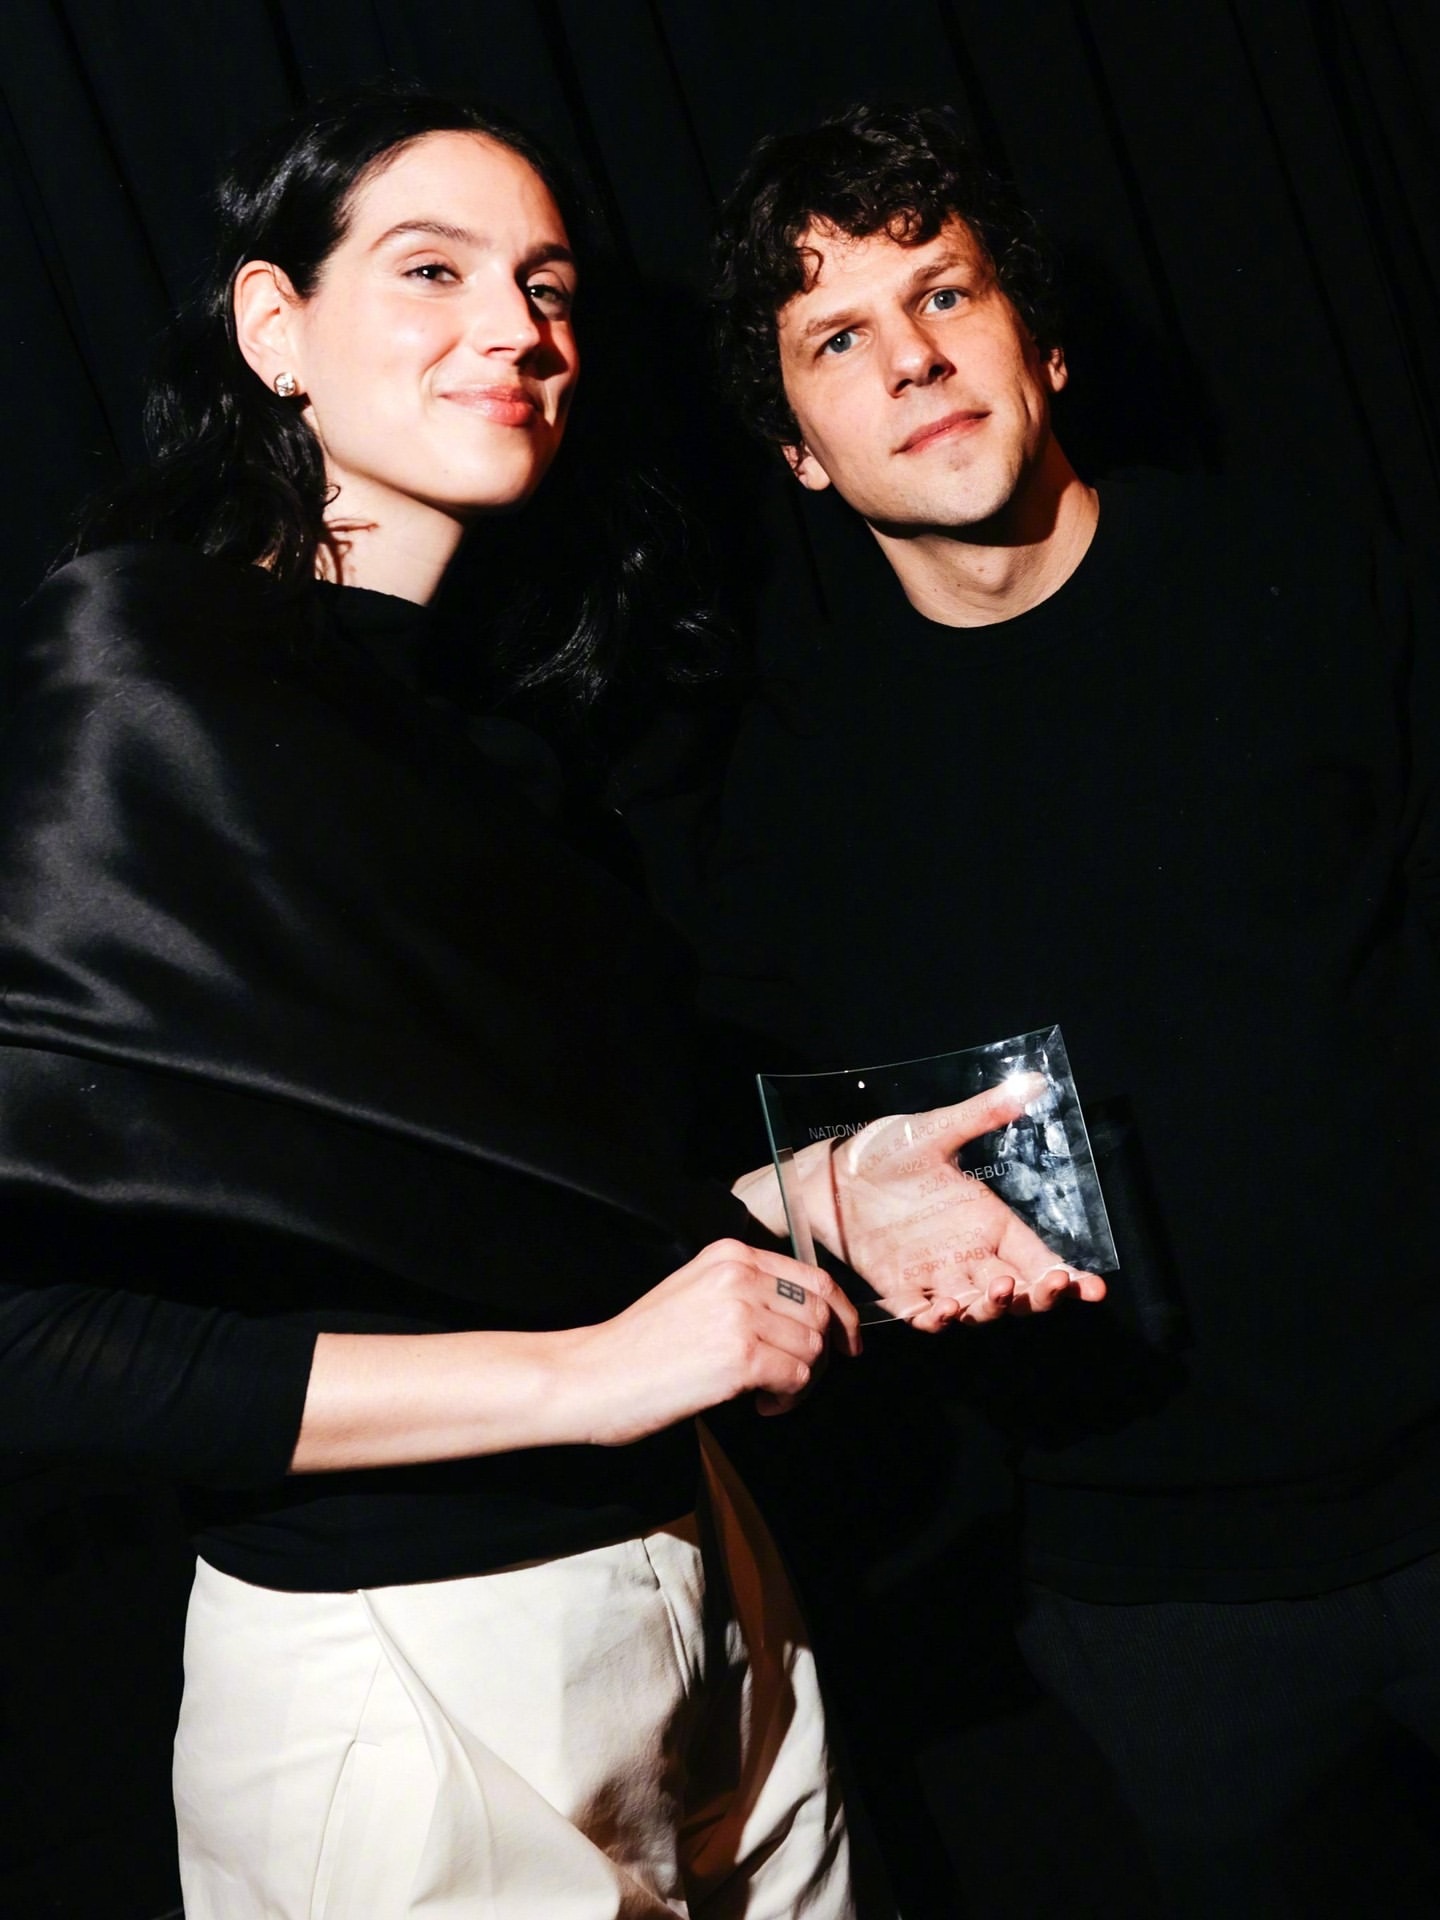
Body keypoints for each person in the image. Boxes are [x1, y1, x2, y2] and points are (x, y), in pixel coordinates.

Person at [0, 82, 894, 1919]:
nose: (517, 329)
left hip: (712, 1576)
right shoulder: (135, 682)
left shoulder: (516, 754)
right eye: (431, 270)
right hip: (403, 1666)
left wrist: (825, 1192)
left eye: (548, 286)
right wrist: (583, 1377)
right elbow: (28, 1341)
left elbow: (512, 1211)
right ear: (275, 329)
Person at [686, 102, 1440, 1913]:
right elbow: (743, 1158)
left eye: (945, 294)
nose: (911, 360)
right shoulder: (781, 790)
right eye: (838, 339)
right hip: (1154, 1601)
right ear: (796, 449)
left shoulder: (1307, 581)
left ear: (1043, 342)